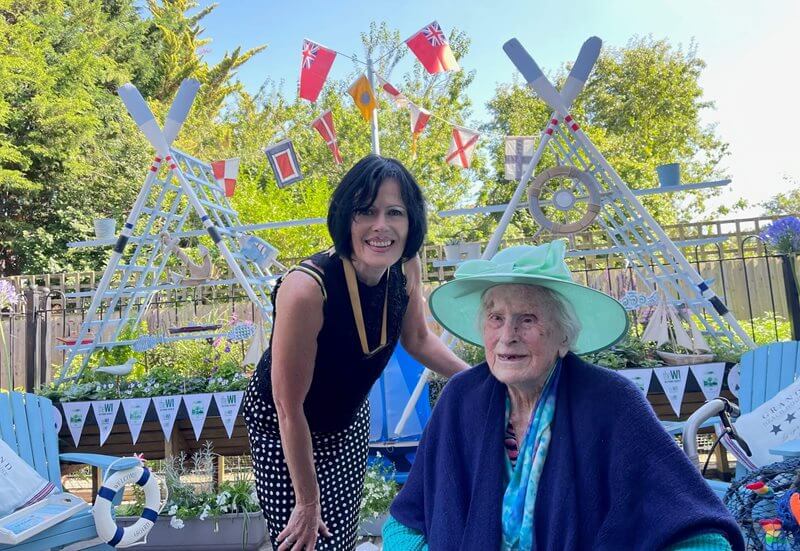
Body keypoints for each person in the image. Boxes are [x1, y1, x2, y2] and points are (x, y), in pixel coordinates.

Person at [384, 240, 744, 551]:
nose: (507, 335)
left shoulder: (612, 402)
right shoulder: (461, 399)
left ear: (563, 337)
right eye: (496, 318)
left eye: (527, 319)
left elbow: (702, 534)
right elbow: (404, 523)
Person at [243, 155, 468, 551]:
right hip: (285, 426)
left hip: (347, 418)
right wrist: (307, 502)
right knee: (306, 539)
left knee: (341, 535)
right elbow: (287, 404)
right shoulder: (306, 288)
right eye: (367, 211)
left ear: (410, 221)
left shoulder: (406, 266)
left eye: (394, 212)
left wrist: (479, 379)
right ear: (347, 217)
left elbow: (417, 339)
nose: (381, 226)